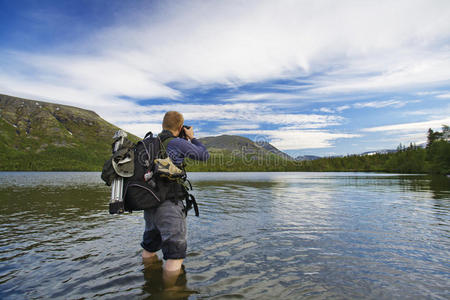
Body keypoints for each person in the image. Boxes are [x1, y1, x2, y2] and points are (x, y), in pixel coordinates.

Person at [141, 111, 209, 276]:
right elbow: (204, 155)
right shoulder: (176, 143)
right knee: (174, 256)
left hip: (149, 204)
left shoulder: (148, 143)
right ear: (180, 127)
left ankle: (149, 281)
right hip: (169, 204)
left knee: (149, 249)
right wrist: (192, 138)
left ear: (163, 125)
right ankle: (171, 292)